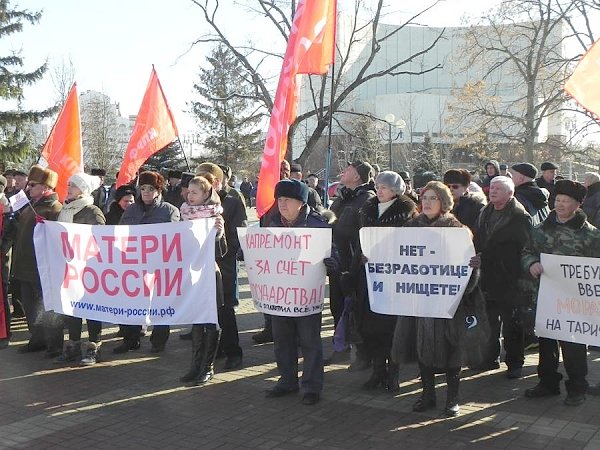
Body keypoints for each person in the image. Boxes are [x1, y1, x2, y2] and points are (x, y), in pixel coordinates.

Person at [393, 181, 483, 417]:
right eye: (424, 198)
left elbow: (467, 274)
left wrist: (473, 268)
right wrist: (372, 260)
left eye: (433, 198)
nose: (427, 202)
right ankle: (428, 395)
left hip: (448, 302)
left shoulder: (458, 231)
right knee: (423, 348)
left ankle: (452, 398)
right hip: (420, 301)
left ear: (444, 203)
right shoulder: (410, 228)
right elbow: (394, 258)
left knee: (451, 349)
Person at [522, 180, 599, 406]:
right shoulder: (539, 230)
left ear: (577, 204)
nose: (561, 205)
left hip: (575, 302)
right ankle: (547, 383)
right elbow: (526, 252)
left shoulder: (591, 235)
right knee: (546, 342)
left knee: (573, 345)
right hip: (545, 297)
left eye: (566, 201)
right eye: (557, 200)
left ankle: (577, 387)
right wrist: (531, 263)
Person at [264, 178, 334, 406]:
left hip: (306, 295)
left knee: (309, 341)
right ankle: (287, 380)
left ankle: (312, 386)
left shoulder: (317, 226)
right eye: (280, 199)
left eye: (287, 200)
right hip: (279, 293)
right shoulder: (273, 223)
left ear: (301, 203)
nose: (282, 204)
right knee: (282, 339)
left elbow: (334, 253)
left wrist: (334, 262)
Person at [354, 171, 417, 392]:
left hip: (395, 278)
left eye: (385, 187)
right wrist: (360, 260)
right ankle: (378, 371)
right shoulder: (368, 209)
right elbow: (360, 240)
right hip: (371, 276)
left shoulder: (407, 212)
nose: (379, 190)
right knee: (372, 327)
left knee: (393, 328)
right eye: (378, 186)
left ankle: (394, 373)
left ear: (395, 191)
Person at [114, 171, 180, 354]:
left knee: (160, 303)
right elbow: (120, 234)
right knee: (132, 302)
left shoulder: (169, 211)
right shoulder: (131, 210)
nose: (146, 192)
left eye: (151, 188)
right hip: (134, 266)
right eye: (142, 188)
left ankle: (158, 341)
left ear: (159, 191)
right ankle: (131, 339)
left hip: (159, 266)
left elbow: (174, 239)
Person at [474, 176, 532, 379]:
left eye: (499, 189)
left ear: (510, 194)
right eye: (492, 188)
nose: (493, 191)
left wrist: (488, 258)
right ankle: (490, 358)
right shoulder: (484, 212)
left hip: (510, 278)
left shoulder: (520, 217)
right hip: (487, 278)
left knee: (512, 323)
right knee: (488, 321)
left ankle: (515, 363)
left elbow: (524, 249)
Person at [178, 175, 227, 385]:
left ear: (206, 194)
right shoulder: (184, 215)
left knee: (210, 321)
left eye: (195, 192)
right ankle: (195, 366)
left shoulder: (215, 217)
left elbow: (223, 251)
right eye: (189, 192)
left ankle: (207, 367)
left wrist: (219, 233)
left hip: (210, 275)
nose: (191, 196)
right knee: (196, 321)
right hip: (192, 275)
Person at [327, 161, 376, 368]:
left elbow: (365, 235)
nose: (343, 171)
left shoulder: (367, 200)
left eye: (348, 170)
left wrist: (356, 263)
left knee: (357, 310)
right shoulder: (342, 198)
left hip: (355, 265)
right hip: (337, 263)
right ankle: (341, 346)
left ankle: (363, 355)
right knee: (337, 306)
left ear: (357, 177)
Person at [54, 173, 106, 365]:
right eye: (69, 184)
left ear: (83, 189)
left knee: (92, 309)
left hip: (88, 268)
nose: (69, 187)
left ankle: (94, 347)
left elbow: (101, 240)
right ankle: (73, 346)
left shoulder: (92, 211)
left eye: (73, 185)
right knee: (72, 309)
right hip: (69, 268)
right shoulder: (66, 209)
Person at [199, 163, 246, 370]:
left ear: (216, 183)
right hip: (201, 264)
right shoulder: (196, 205)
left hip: (224, 264)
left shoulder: (233, 203)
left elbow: (237, 233)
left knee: (225, 309)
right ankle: (211, 350)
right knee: (205, 309)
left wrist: (223, 249)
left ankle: (233, 351)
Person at [13, 165, 63, 357]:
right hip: (25, 266)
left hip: (42, 267)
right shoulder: (30, 205)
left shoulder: (54, 208)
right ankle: (37, 339)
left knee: (47, 306)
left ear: (45, 187)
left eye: (32, 185)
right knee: (31, 306)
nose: (28, 188)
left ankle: (54, 344)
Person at [443, 169, 486, 233]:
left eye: (455, 186)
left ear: (465, 188)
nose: (451, 189)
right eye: (448, 186)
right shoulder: (441, 205)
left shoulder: (476, 206)